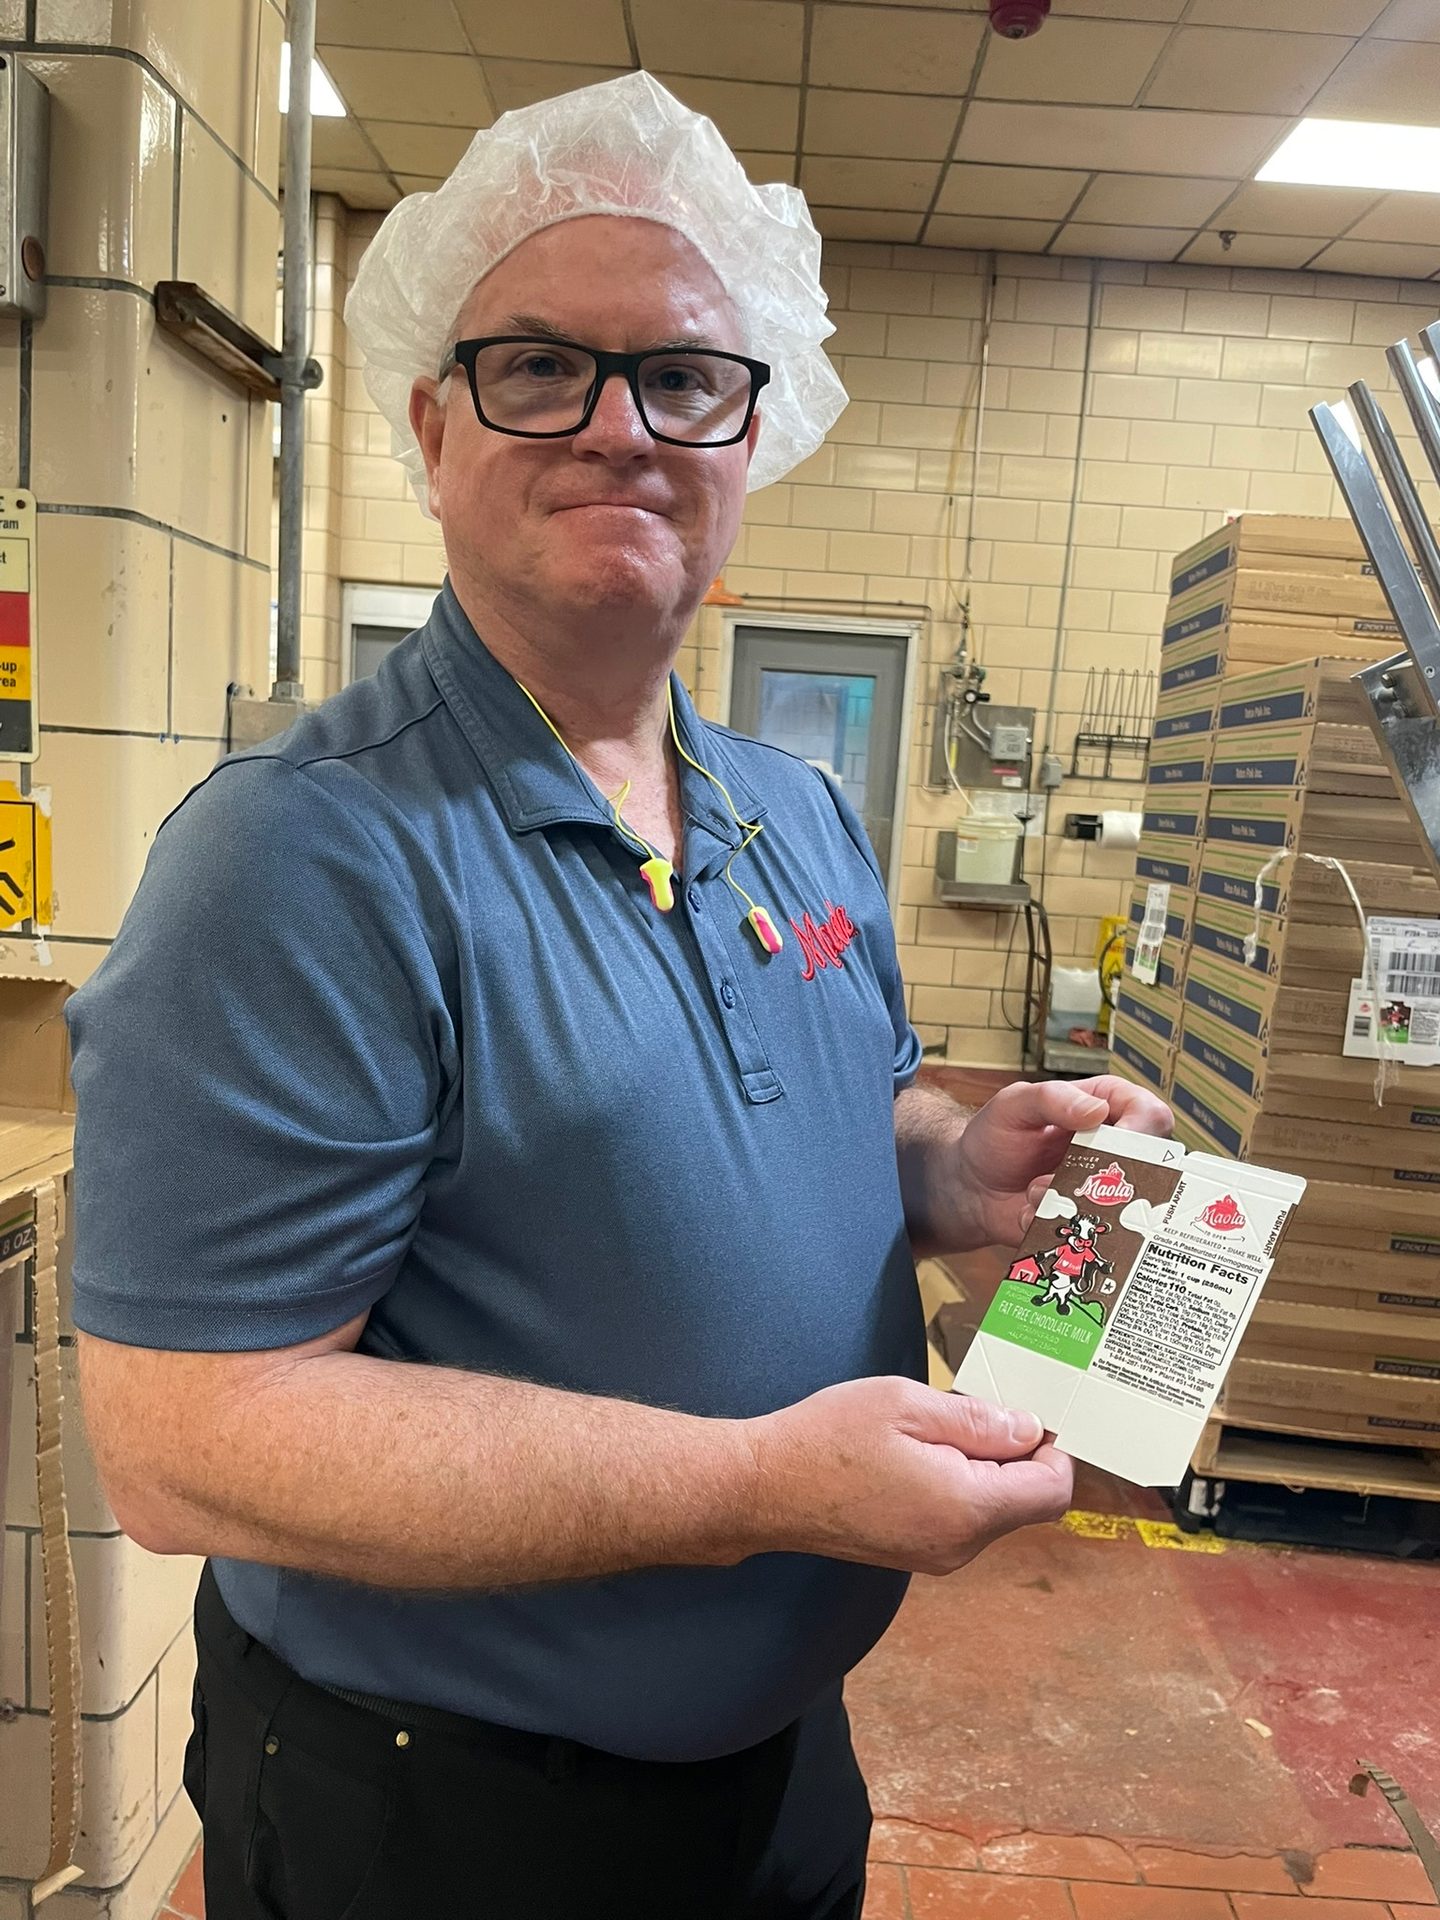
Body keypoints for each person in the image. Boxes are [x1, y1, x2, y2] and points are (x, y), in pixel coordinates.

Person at [68, 72, 1170, 1920]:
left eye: (682, 378)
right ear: (432, 423)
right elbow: (190, 1437)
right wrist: (759, 1483)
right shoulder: (307, 857)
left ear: (755, 434)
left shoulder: (796, 814)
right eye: (539, 369)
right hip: (446, 1822)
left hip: (779, 1770)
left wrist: (955, 1167)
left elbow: (827, 1105)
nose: (619, 429)